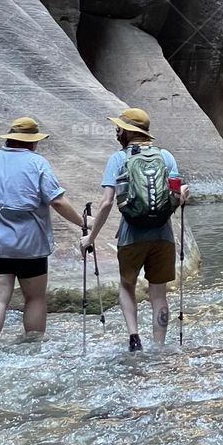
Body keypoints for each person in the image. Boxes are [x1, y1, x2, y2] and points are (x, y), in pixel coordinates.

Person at [0, 116, 86, 345]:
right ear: (33, 141)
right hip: (30, 246)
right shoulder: (37, 163)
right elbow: (57, 201)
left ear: (10, 138)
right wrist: (83, 222)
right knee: (35, 298)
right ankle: (33, 346)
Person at [82, 108, 189, 353]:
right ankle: (159, 347)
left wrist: (91, 237)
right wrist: (183, 195)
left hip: (131, 236)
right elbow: (176, 196)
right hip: (163, 236)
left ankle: (134, 338)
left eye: (119, 128)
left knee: (126, 285)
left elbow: (106, 203)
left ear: (129, 132)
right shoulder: (165, 157)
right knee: (158, 294)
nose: (117, 131)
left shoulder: (118, 159)